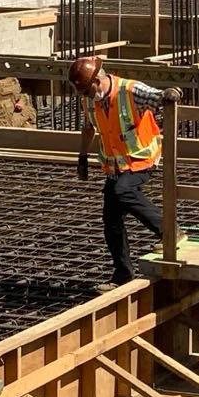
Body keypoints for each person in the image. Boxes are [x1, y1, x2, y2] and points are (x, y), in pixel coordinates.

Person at [71, 54, 181, 284]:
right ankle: (122, 273)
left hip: (141, 159)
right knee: (110, 219)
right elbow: (89, 128)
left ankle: (169, 231)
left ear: (97, 81)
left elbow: (161, 97)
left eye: (87, 91)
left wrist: (172, 94)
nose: (86, 97)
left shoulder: (130, 91)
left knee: (124, 192)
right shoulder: (90, 100)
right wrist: (82, 156)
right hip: (115, 165)